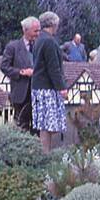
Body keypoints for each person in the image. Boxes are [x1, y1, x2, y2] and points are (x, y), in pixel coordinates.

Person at [30, 11, 70, 153]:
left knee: (44, 126)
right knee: (49, 126)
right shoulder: (49, 41)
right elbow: (53, 68)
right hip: (47, 89)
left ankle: (44, 154)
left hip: (38, 87)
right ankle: (46, 154)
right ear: (53, 24)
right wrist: (62, 88)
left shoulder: (40, 39)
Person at [0, 16, 39, 134]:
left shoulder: (40, 46)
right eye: (35, 31)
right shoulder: (13, 47)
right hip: (21, 94)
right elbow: (4, 67)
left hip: (37, 92)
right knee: (21, 126)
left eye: (38, 30)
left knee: (38, 127)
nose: (37, 34)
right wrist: (21, 72)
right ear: (25, 30)